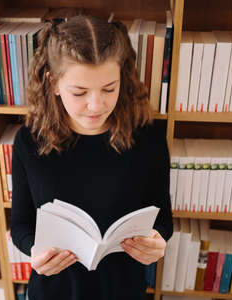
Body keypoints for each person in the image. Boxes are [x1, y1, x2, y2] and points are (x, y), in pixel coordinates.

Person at [10, 15, 173, 300]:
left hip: (122, 289)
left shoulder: (148, 138)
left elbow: (162, 219)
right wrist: (34, 250)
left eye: (109, 88)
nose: (96, 105)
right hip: (56, 289)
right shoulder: (29, 141)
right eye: (80, 92)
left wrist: (158, 243)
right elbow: (21, 224)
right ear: (54, 84)